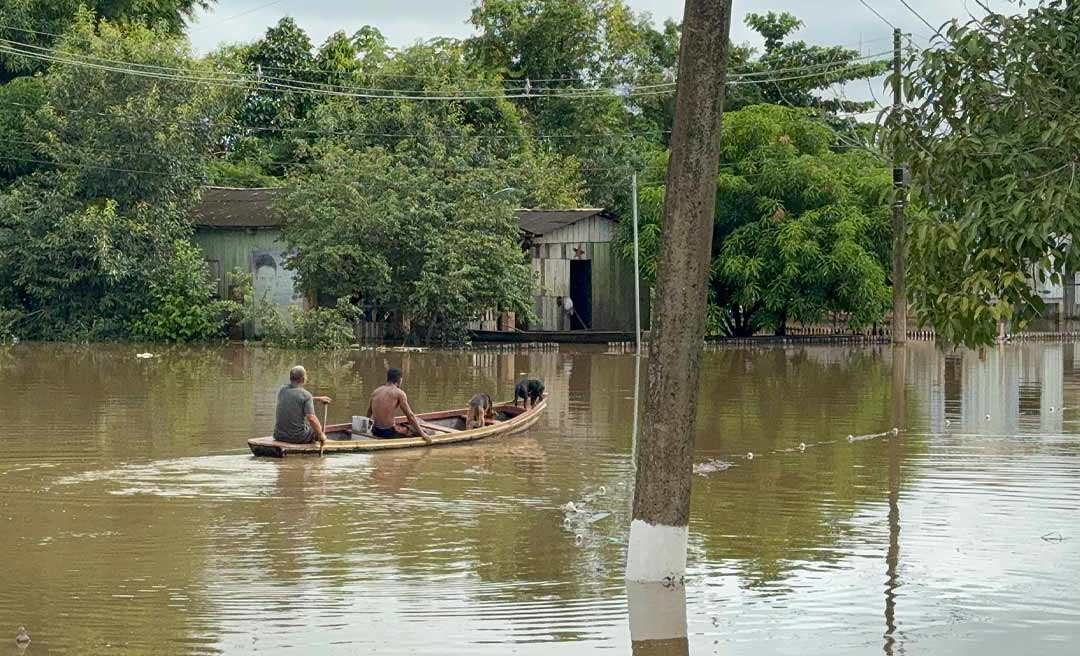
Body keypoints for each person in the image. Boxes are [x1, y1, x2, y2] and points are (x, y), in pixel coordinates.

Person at [367, 368, 432, 443]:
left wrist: (366, 428)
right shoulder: (399, 393)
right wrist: (422, 434)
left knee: (414, 422)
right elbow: (410, 415)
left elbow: (369, 412)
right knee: (427, 432)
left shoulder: (376, 391)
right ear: (399, 380)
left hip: (375, 430)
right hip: (389, 433)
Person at [274, 366, 332, 444]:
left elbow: (296, 399)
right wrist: (321, 434)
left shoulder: (282, 390)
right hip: (297, 437)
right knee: (316, 432)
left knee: (310, 427)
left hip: (278, 435)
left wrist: (317, 398)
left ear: (291, 378)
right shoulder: (306, 395)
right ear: (303, 379)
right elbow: (311, 418)